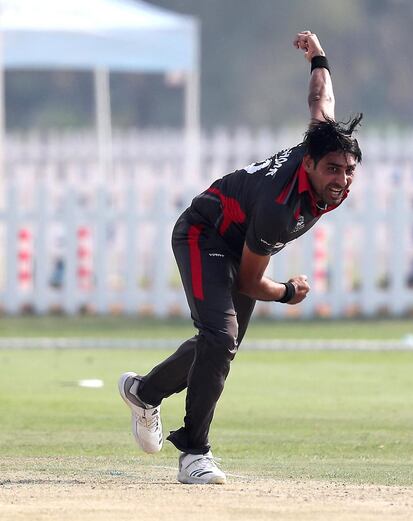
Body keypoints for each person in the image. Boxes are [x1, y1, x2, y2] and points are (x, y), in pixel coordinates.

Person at [118, 31, 362, 485]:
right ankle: (194, 452)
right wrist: (288, 292)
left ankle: (143, 392)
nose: (342, 181)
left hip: (237, 242)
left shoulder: (321, 145)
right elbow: (251, 283)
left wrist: (319, 58)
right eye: (333, 169)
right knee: (221, 334)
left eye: (349, 171)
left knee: (220, 344)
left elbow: (320, 100)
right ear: (309, 164)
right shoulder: (279, 207)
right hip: (202, 233)